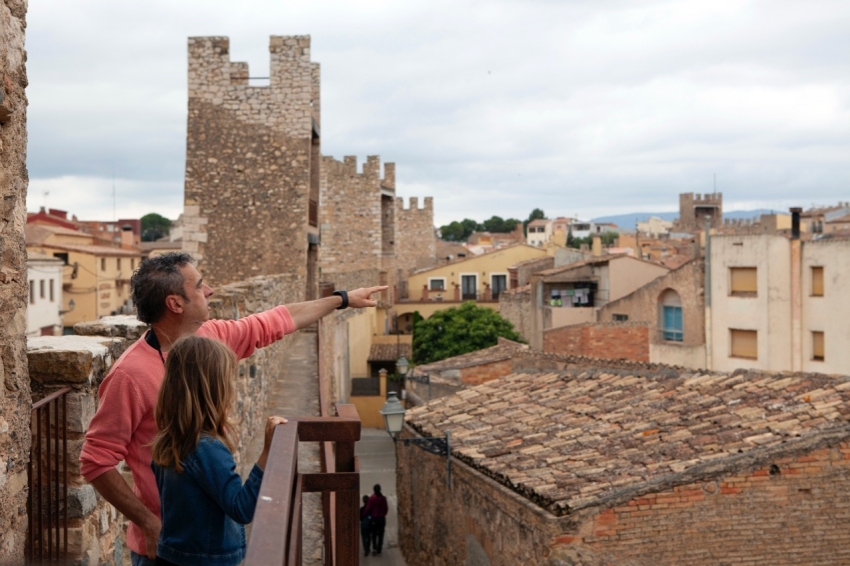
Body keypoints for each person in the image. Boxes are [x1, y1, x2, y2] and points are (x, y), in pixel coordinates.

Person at [79, 252, 386, 565]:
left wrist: (341, 300)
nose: (210, 290)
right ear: (176, 303)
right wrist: (148, 522)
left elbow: (276, 320)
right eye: (199, 286)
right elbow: (95, 460)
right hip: (165, 549)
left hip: (216, 539)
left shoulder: (209, 338)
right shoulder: (129, 375)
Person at [151, 335, 286, 566]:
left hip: (174, 556)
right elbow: (241, 508)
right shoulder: (206, 449)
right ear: (214, 390)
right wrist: (267, 452)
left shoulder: (168, 439)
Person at [365, 484, 388, 556]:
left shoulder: (372, 498)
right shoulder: (383, 498)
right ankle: (379, 549)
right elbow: (386, 508)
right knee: (381, 534)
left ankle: (374, 547)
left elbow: (368, 508)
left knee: (374, 534)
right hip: (381, 518)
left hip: (374, 518)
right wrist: (383, 514)